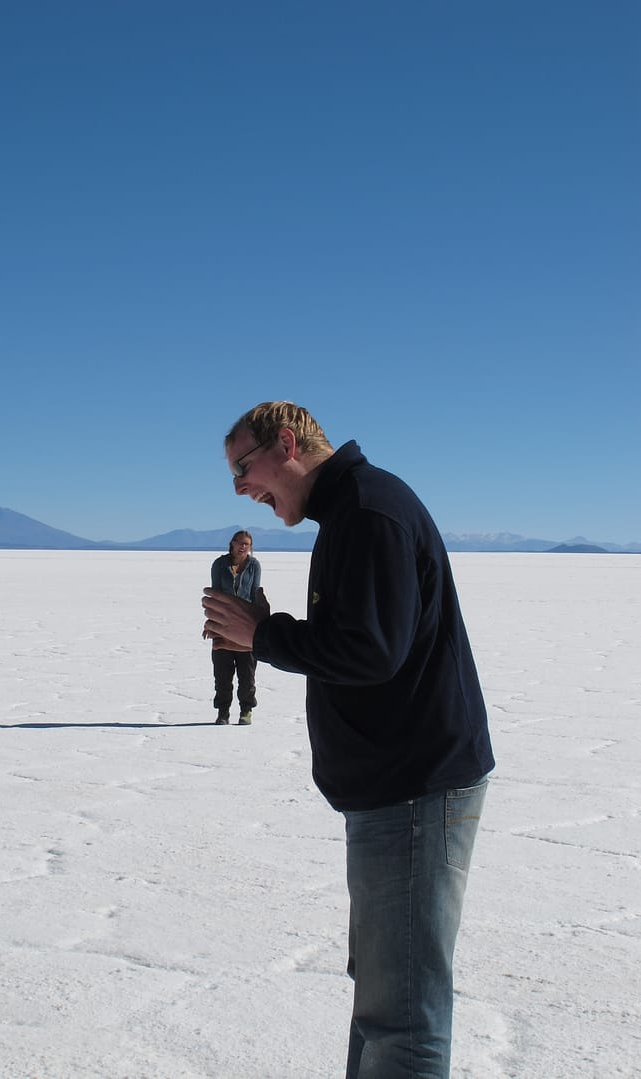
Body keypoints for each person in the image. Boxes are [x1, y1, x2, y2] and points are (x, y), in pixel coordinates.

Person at [202, 401, 495, 1079]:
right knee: (384, 1004)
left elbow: (372, 650)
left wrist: (264, 636)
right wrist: (267, 632)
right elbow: (367, 642)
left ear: (285, 445)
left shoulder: (368, 512)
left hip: (414, 791)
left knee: (403, 1018)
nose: (240, 488)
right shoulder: (351, 512)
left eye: (243, 468)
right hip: (395, 789)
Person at [208, 530, 261, 725]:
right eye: (240, 542)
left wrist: (258, 623)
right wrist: (211, 623)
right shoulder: (219, 564)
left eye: (247, 544)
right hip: (223, 624)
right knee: (222, 674)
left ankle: (246, 710)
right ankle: (223, 712)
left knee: (247, 674)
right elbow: (214, 594)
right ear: (232, 543)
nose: (243, 546)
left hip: (246, 625)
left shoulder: (254, 565)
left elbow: (255, 594)